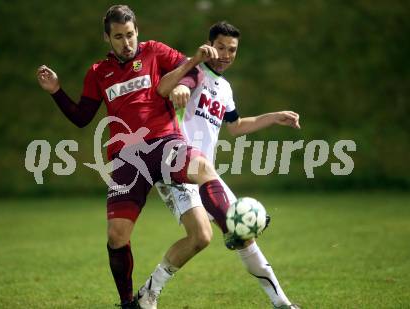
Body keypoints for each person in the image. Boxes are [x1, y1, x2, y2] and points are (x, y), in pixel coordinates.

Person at [36, 5, 235, 309]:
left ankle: (231, 228)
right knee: (116, 236)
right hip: (127, 158)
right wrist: (56, 91)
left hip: (165, 142)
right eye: (118, 37)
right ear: (107, 38)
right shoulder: (97, 73)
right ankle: (128, 302)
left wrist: (182, 84)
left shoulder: (155, 51)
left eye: (130, 35)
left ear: (137, 31)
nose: (126, 42)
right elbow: (81, 117)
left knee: (204, 168)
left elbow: (194, 70)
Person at [137, 22, 301, 309]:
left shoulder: (224, 88)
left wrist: (273, 116)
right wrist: (178, 90)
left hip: (206, 174)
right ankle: (150, 292)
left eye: (232, 50)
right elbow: (177, 86)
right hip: (176, 167)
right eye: (221, 47)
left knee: (244, 236)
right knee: (201, 236)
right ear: (209, 44)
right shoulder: (192, 71)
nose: (226, 54)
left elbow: (235, 126)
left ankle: (282, 304)